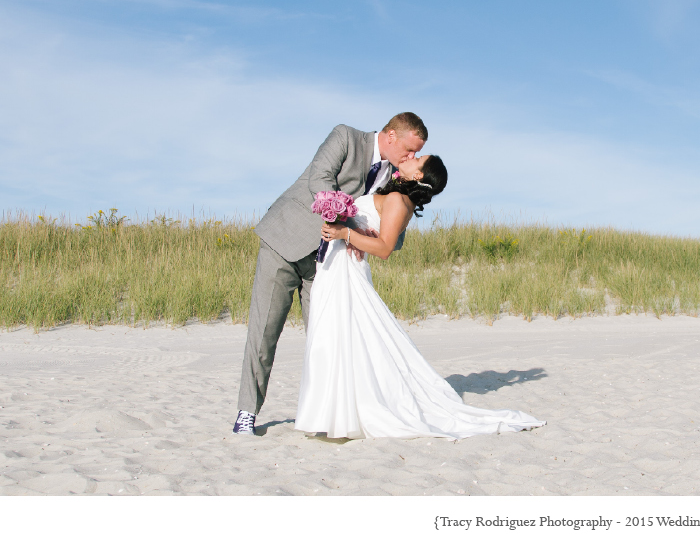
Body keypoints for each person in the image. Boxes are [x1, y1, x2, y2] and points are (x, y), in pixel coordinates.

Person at [295, 153, 544, 440]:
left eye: (418, 158)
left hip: (346, 270)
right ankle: (330, 414)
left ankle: (340, 415)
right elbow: (374, 234)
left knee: (338, 336)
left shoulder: (401, 202)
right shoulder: (394, 194)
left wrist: (344, 234)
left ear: (417, 176)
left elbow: (385, 248)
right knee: (333, 336)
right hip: (334, 266)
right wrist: (353, 227)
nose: (411, 157)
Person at [232, 113, 427, 435]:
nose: (410, 158)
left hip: (330, 266)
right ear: (390, 135)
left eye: (415, 155)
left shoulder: (396, 176)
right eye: (408, 150)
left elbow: (393, 227)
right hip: (285, 242)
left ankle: (324, 417)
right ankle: (247, 412)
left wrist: (379, 232)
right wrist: (348, 223)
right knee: (264, 332)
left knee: (327, 341)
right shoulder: (346, 137)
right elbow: (319, 180)